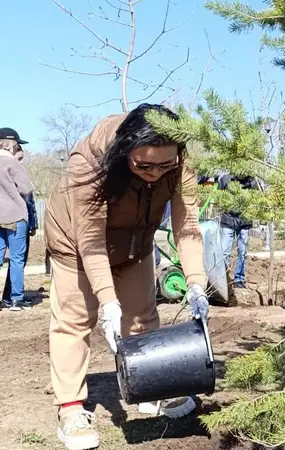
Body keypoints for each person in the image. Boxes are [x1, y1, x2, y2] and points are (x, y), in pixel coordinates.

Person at [44, 104, 210, 450]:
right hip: (75, 245)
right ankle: (71, 408)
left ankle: (153, 387)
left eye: (165, 165)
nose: (155, 173)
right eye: (144, 165)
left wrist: (196, 280)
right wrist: (106, 299)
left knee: (143, 316)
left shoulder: (179, 163)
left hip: (136, 244)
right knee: (75, 320)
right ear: (125, 150)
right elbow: (89, 238)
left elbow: (187, 224)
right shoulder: (89, 161)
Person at [0, 128, 35, 311]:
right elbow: (26, 189)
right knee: (16, 259)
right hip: (15, 215)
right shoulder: (11, 163)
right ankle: (16, 299)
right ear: (11, 145)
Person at [217, 172, 258, 288]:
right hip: (228, 220)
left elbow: (255, 199)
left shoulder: (251, 181)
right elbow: (220, 196)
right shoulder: (225, 179)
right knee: (224, 252)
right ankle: (222, 279)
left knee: (242, 252)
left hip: (244, 221)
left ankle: (239, 279)